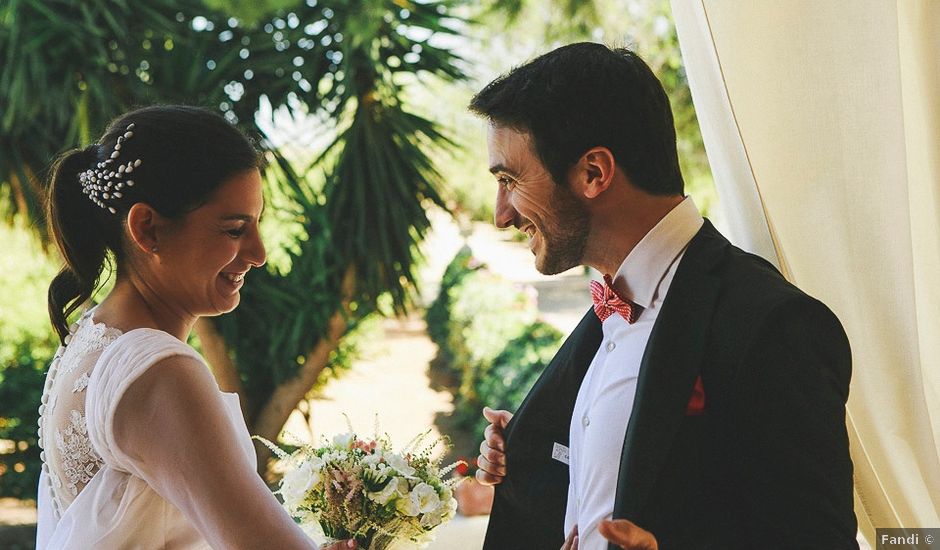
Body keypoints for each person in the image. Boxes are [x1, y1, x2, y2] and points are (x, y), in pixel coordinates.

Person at [470, 43, 858, 550]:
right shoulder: (607, 311)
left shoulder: (771, 325)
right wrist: (531, 449)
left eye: (509, 179)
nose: (501, 213)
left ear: (594, 173)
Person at [37, 105, 353, 549]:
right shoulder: (158, 372)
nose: (259, 253)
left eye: (256, 225)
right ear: (147, 228)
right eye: (233, 230)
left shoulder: (93, 334)